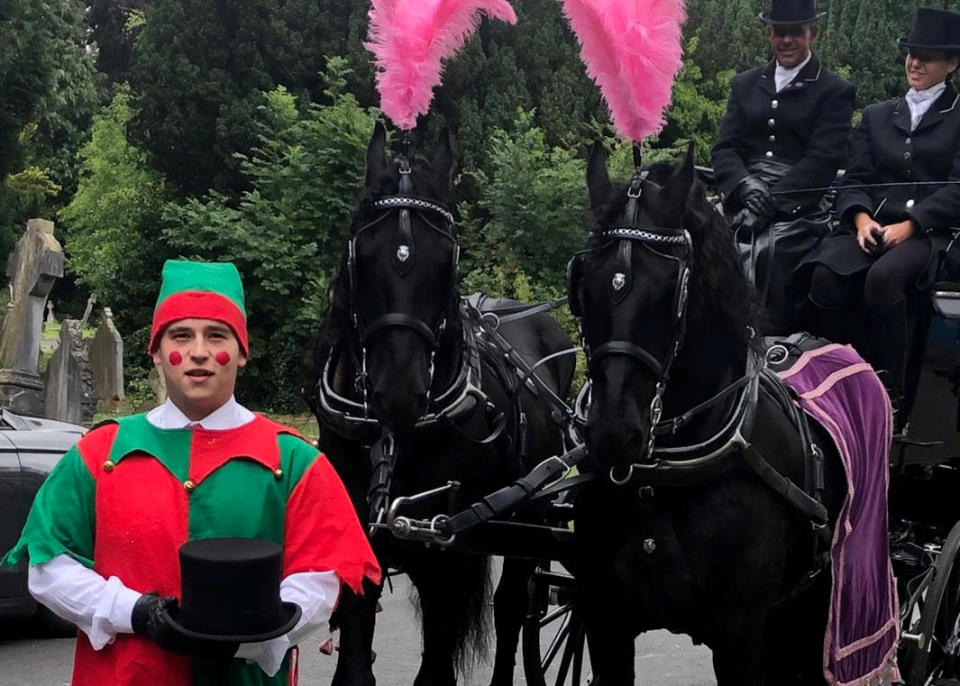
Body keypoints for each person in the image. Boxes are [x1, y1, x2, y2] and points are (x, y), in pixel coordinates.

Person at [3, 260, 381, 685]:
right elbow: (49, 567)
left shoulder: (293, 461)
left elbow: (321, 577)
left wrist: (252, 632)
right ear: (157, 351)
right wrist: (138, 614)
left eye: (216, 335)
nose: (199, 351)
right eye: (181, 335)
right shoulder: (97, 454)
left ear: (241, 352)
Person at [804, 7, 960, 427]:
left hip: (931, 234)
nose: (916, 63)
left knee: (883, 279)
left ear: (952, 64)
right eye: (912, 53)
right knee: (824, 275)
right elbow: (854, 178)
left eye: (927, 56)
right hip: (872, 226)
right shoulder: (878, 115)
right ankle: (834, 378)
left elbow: (957, 187)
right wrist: (859, 220)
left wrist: (912, 225)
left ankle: (892, 394)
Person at [711, 0, 855, 333]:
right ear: (768, 33)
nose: (786, 41)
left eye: (795, 33)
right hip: (745, 192)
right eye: (779, 33)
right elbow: (725, 147)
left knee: (766, 254)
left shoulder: (834, 90)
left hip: (800, 200)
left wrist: (774, 201)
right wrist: (744, 187)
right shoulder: (745, 84)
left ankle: (769, 339)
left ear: (813, 34)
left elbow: (824, 159)